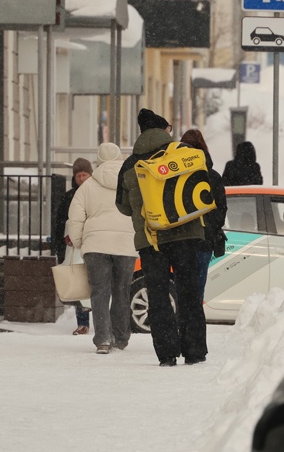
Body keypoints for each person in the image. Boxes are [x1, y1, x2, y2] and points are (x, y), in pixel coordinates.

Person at [116, 109, 207, 367]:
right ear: (164, 130)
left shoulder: (130, 164)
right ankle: (194, 350)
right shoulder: (182, 152)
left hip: (150, 238)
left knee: (158, 296)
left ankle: (167, 354)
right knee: (188, 292)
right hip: (186, 234)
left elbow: (122, 206)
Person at [66, 143, 136, 354]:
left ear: (98, 161)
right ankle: (121, 337)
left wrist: (80, 243)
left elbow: (75, 218)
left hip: (96, 246)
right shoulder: (131, 183)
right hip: (126, 245)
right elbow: (142, 210)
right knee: (122, 291)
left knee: (99, 292)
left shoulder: (87, 186)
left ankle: (104, 339)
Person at [179, 129, 227, 294]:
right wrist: (210, 227)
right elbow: (221, 208)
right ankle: (195, 317)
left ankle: (182, 318)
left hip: (181, 240)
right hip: (204, 240)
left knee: (182, 288)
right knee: (198, 288)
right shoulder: (212, 176)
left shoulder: (177, 175)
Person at [51, 157, 93, 335]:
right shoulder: (69, 197)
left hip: (92, 244)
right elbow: (60, 223)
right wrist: (60, 246)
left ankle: (101, 323)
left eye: (85, 175)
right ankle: (83, 323)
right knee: (80, 284)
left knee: (97, 284)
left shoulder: (95, 195)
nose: (82, 179)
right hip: (74, 247)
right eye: (79, 176)